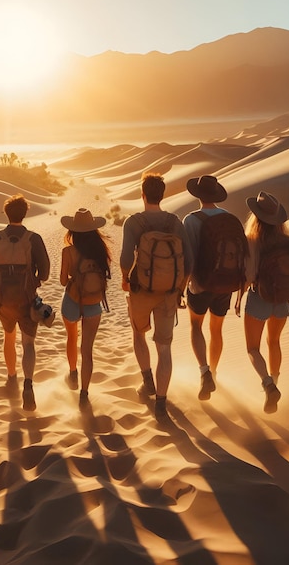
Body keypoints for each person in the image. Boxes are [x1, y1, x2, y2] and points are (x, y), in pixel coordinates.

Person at [120, 172, 192, 419]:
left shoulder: (134, 223)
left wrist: (124, 277)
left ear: (143, 195)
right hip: (168, 294)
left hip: (141, 291)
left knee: (139, 334)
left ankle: (147, 380)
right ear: (162, 195)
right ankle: (161, 402)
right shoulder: (175, 222)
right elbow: (189, 263)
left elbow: (126, 259)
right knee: (165, 347)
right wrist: (179, 289)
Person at [0, 194, 50, 411]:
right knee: (28, 343)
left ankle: (12, 378)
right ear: (25, 213)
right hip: (27, 300)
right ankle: (27, 384)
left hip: (4, 302)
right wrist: (33, 281)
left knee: (9, 338)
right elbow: (46, 272)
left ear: (6, 213)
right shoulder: (33, 238)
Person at [183, 175, 244, 400]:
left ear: (198, 196)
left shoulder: (191, 220)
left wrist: (181, 289)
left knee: (196, 326)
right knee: (216, 329)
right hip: (226, 284)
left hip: (200, 285)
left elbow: (188, 258)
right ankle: (215, 373)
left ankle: (204, 371)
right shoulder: (229, 218)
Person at [242, 191, 289, 413]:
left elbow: (248, 276)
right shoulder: (285, 240)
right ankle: (275, 382)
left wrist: (238, 298)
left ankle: (268, 384)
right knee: (274, 342)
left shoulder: (252, 241)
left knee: (253, 349)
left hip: (259, 298)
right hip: (282, 299)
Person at [59, 208, 111, 408]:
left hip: (72, 301)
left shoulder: (68, 251)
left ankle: (73, 374)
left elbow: (63, 281)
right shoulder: (101, 250)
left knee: (72, 337)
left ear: (73, 230)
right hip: (94, 304)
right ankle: (84, 393)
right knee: (87, 350)